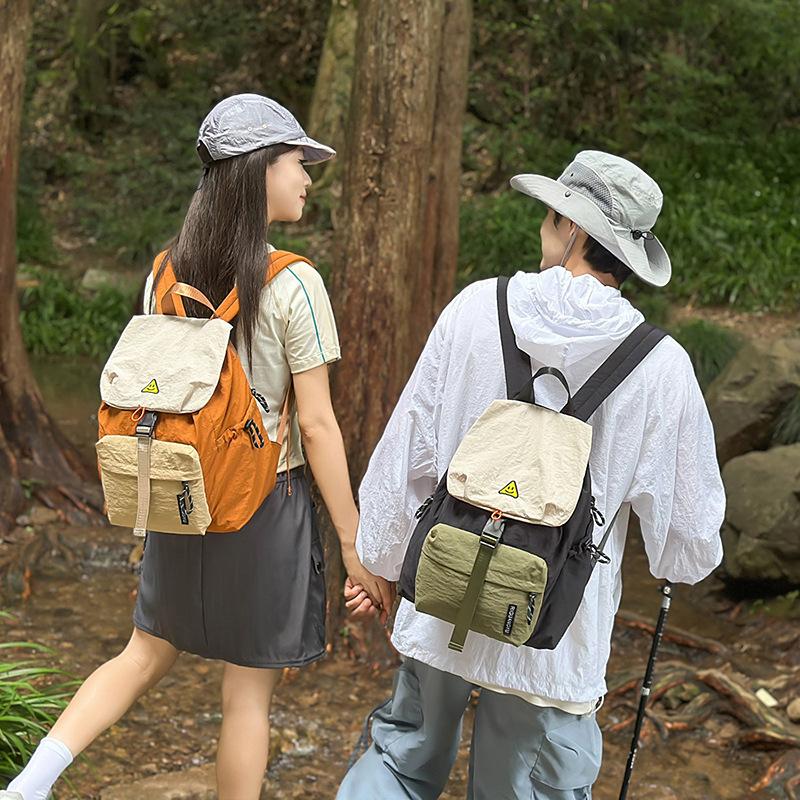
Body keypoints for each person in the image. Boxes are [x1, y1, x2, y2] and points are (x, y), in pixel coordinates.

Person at [2, 93, 392, 800]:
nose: (307, 177)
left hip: (182, 493)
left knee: (143, 653)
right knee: (246, 695)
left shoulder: (164, 273)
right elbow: (317, 427)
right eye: (296, 162)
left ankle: (29, 786)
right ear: (256, 171)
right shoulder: (296, 283)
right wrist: (355, 545)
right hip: (264, 508)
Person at [339, 150, 725, 799]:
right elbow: (686, 544)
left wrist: (379, 562)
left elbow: (407, 454)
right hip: (557, 635)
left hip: (446, 592)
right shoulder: (662, 368)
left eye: (552, 216)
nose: (545, 227)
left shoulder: (474, 308)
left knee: (401, 759)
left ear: (572, 229)